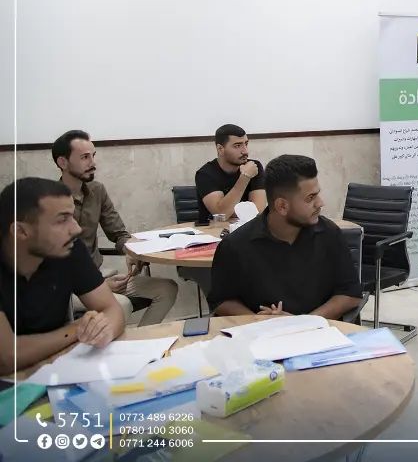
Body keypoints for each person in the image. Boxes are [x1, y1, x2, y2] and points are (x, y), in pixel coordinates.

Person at [208, 155, 363, 319]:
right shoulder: (236, 245)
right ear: (282, 206)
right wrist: (261, 322)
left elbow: (350, 294)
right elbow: (222, 300)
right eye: (310, 198)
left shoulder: (329, 234)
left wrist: (302, 322)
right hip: (259, 332)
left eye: (317, 194)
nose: (320, 203)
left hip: (319, 329)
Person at [52, 130, 178, 326]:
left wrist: (131, 251)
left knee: (167, 289)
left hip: (97, 277)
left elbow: (118, 233)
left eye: (93, 156)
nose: (93, 163)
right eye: (85, 157)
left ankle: (141, 340)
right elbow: (51, 264)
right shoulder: (49, 201)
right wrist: (99, 287)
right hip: (66, 289)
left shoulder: (97, 190)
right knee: (121, 305)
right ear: (63, 162)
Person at [0, 178, 125, 374]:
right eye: (62, 220)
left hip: (53, 369)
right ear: (20, 231)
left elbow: (112, 309)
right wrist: (77, 329)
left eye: (72, 217)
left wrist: (102, 330)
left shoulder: (69, 248)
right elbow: (7, 357)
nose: (76, 229)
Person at [195, 123, 267, 223]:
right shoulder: (205, 174)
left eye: (246, 144)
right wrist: (245, 177)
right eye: (237, 146)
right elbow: (221, 214)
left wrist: (232, 211)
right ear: (220, 149)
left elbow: (258, 211)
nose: (245, 151)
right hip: (214, 230)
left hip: (246, 229)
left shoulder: (254, 166)